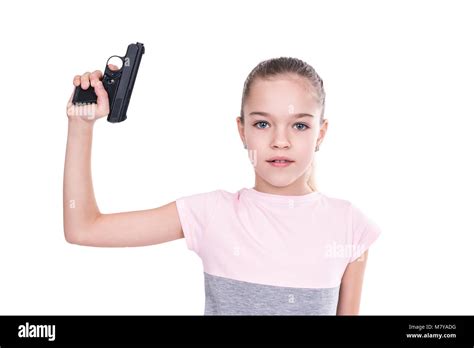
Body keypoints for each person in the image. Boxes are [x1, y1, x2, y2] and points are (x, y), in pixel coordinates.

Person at [63, 57, 381, 315]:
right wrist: (81, 125)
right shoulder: (212, 213)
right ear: (242, 132)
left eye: (299, 125)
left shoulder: (350, 225)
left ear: (321, 133)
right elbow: (84, 229)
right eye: (262, 123)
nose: (280, 141)